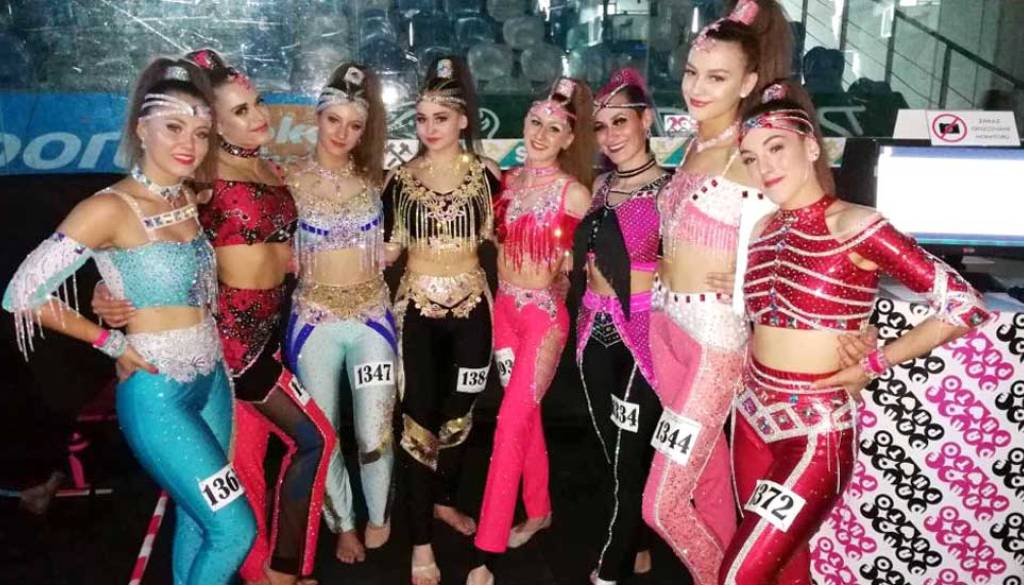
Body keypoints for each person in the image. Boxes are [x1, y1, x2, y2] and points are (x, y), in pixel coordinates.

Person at [720, 80, 990, 585]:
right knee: (786, 568)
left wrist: (875, 361)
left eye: (776, 148)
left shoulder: (856, 224)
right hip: (751, 419)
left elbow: (964, 305)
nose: (765, 168)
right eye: (751, 158)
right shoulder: (761, 229)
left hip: (814, 433)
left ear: (811, 146)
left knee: (738, 576)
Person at [4, 58, 257, 584]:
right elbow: (23, 293)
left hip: (212, 380)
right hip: (157, 391)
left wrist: (108, 292)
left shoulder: (185, 196)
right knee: (235, 529)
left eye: (200, 133)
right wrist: (110, 342)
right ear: (142, 129)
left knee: (198, 522)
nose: (189, 144)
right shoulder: (109, 208)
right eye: (173, 127)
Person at [95, 48, 334, 585]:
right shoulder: (201, 179)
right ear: (214, 124)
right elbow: (142, 241)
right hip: (230, 344)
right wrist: (105, 292)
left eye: (258, 103)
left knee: (241, 464)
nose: (260, 116)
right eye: (241, 111)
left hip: (270, 331)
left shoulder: (267, 165)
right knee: (315, 439)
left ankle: (262, 572)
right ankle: (284, 568)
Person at [640, 1, 789, 582]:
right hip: (665, 328)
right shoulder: (694, 146)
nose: (697, 88)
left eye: (717, 77)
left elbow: (807, 225)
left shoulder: (753, 151)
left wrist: (759, 275)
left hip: (711, 344)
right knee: (706, 479)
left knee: (662, 505)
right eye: (692, 72)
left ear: (748, 83)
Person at [466, 77, 595, 585]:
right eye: (535, 122)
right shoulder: (508, 182)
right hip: (504, 315)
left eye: (554, 128)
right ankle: (539, 510)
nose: (541, 134)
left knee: (508, 424)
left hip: (543, 321)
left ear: (569, 138)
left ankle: (487, 551)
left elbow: (595, 257)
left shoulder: (574, 193)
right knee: (526, 417)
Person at [382, 55, 502, 585]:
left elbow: (512, 238)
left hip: (473, 309)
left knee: (460, 415)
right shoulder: (400, 180)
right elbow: (387, 249)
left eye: (440, 118)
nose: (429, 129)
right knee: (417, 423)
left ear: (463, 120)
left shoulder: (488, 177)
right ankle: (421, 544)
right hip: (418, 313)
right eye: (421, 119)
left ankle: (443, 499)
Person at [284, 62, 396, 563]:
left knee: (375, 432)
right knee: (323, 432)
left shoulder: (377, 179)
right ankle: (343, 523)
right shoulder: (286, 180)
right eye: (334, 120)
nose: (342, 134)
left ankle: (379, 514)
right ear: (318, 117)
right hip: (314, 322)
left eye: (354, 126)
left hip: (372, 318)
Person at [570, 68, 669, 585]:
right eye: (601, 126)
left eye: (621, 122)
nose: (609, 136)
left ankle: (612, 567)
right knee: (612, 448)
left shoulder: (672, 190)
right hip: (593, 328)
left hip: (642, 335)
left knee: (631, 452)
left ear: (646, 120)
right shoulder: (601, 185)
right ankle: (640, 538)